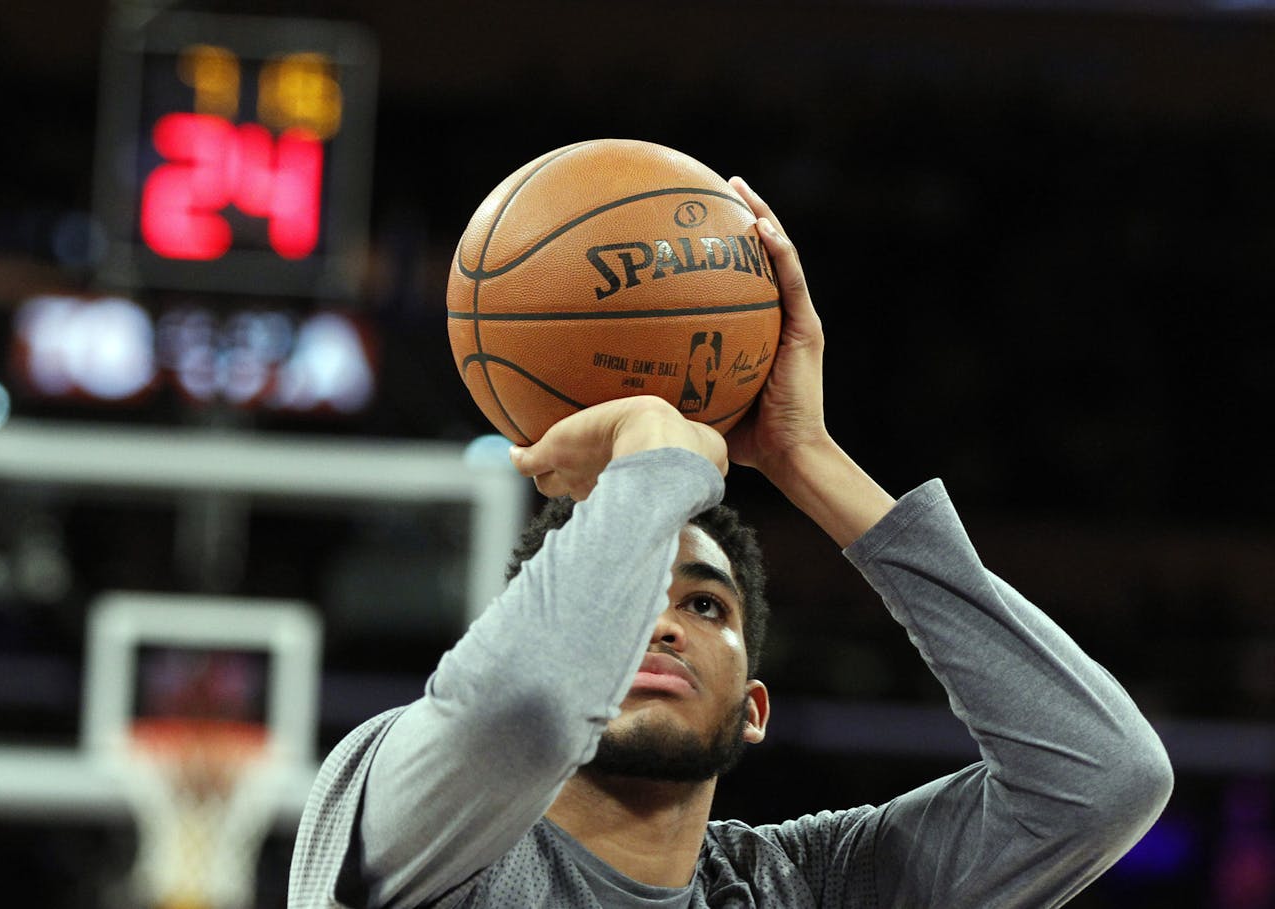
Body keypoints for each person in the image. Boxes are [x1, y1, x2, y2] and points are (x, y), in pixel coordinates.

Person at [289, 177, 1173, 908]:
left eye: (705, 603)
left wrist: (808, 459)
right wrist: (651, 452)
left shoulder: (799, 888)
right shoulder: (412, 822)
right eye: (634, 596)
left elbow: (1108, 780)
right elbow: (526, 708)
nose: (662, 623)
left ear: (754, 707)